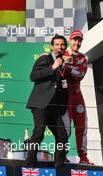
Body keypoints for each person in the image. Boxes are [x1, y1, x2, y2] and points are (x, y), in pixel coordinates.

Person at [26, 34, 69, 168]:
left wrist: (63, 86)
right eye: (57, 45)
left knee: (62, 136)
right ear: (52, 47)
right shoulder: (45, 59)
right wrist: (53, 67)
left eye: (62, 45)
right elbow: (33, 76)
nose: (59, 47)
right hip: (41, 103)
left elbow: (57, 84)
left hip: (54, 106)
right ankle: (30, 163)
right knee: (39, 133)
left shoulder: (63, 63)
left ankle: (59, 166)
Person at [62, 30, 94, 165]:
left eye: (79, 40)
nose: (77, 43)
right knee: (65, 127)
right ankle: (62, 155)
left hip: (77, 94)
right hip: (64, 95)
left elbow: (79, 75)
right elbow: (59, 73)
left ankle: (83, 157)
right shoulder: (62, 54)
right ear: (70, 40)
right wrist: (67, 67)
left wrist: (67, 67)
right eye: (75, 40)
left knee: (82, 126)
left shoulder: (83, 58)